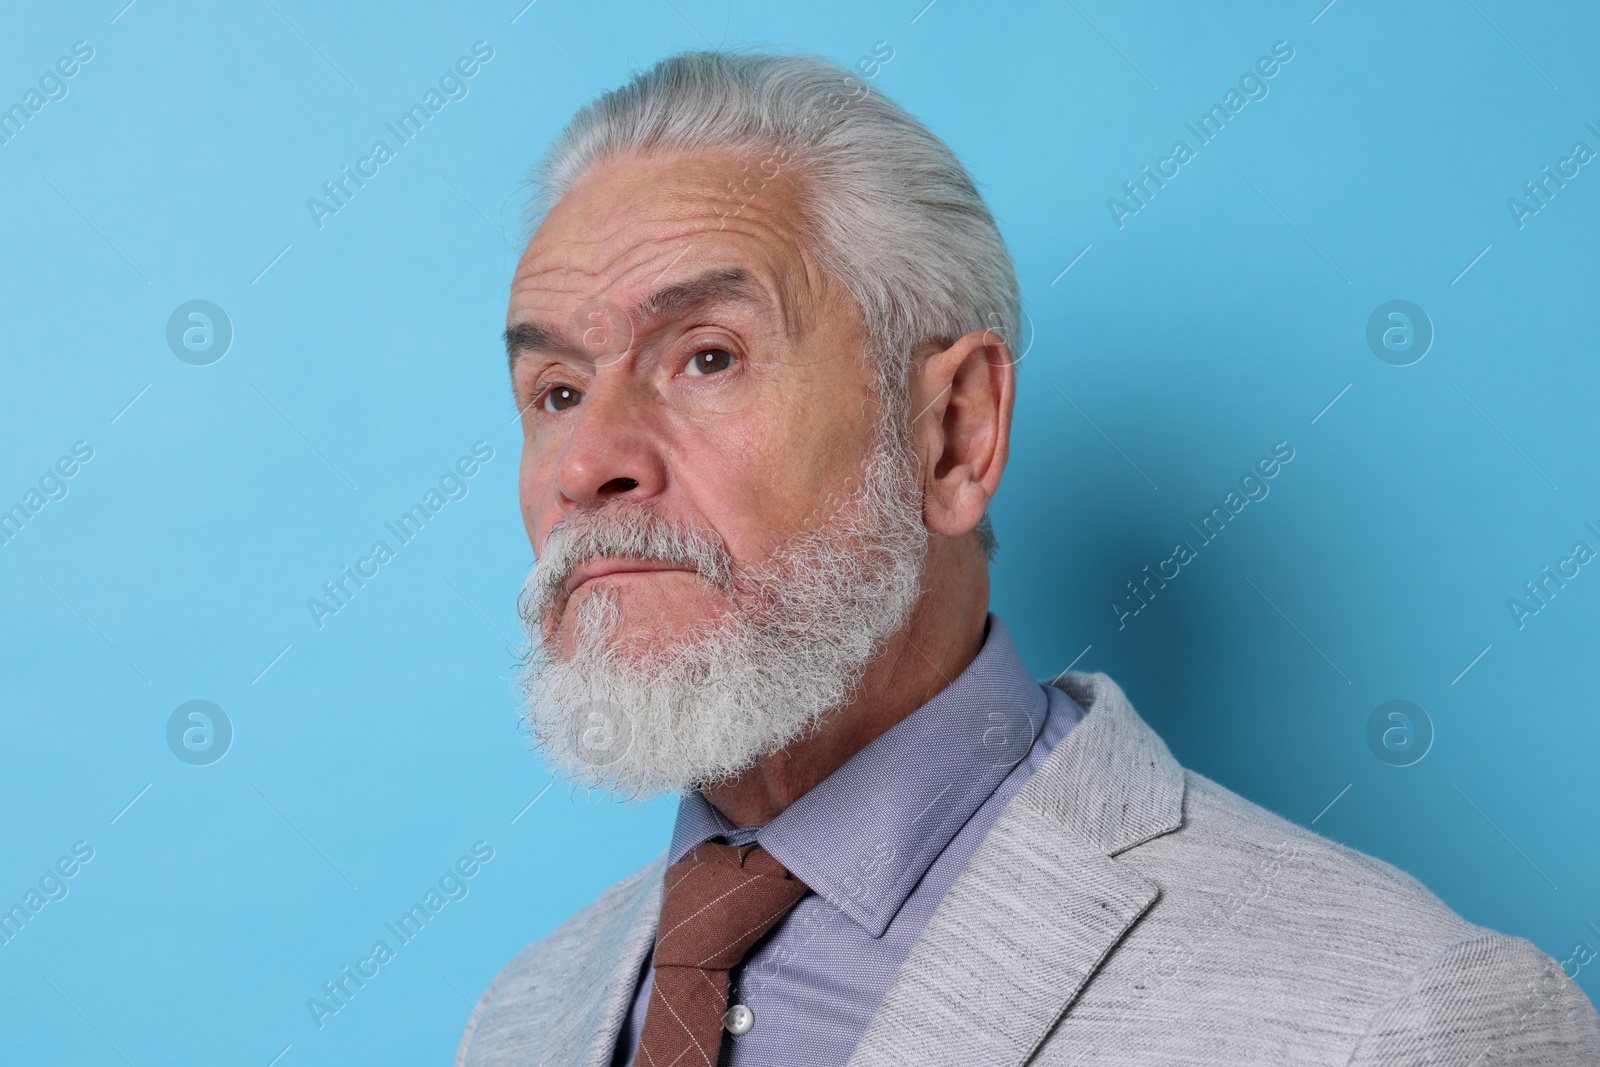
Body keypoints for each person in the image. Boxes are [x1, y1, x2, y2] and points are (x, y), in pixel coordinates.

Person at [457, 49, 1600, 1067]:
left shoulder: (1400, 1016)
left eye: (705, 357)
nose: (586, 461)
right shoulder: (527, 1010)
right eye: (555, 390)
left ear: (955, 431)